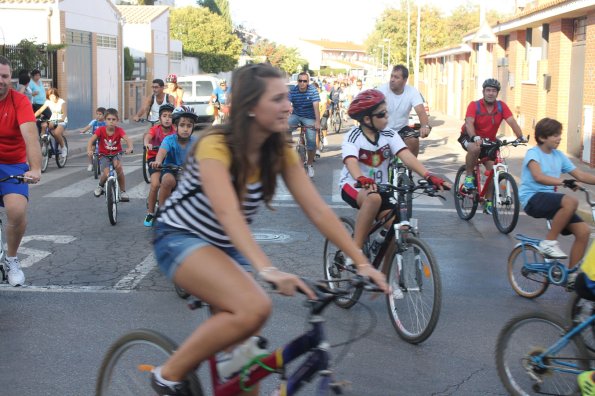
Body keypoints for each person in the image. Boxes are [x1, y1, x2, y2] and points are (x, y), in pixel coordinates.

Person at [150, 63, 388, 395]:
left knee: (248, 376)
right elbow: (227, 212)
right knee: (254, 306)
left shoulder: (278, 149)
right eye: (277, 99)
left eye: (287, 97)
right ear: (250, 107)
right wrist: (269, 269)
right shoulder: (216, 145)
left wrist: (361, 263)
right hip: (181, 238)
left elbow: (318, 210)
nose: (289, 105)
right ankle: (168, 375)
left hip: (227, 248)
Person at [340, 89, 449, 262]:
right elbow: (351, 160)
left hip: (381, 187)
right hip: (354, 186)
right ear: (367, 119)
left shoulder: (390, 134)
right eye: (382, 114)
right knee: (373, 199)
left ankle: (385, 283)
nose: (387, 118)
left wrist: (429, 176)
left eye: (386, 113)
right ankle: (355, 252)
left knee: (396, 229)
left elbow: (406, 156)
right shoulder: (354, 136)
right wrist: (361, 178)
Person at [518, 117, 595, 268]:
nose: (559, 138)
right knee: (571, 201)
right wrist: (563, 182)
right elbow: (538, 177)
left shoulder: (559, 156)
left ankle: (571, 275)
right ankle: (549, 242)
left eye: (559, 134)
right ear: (542, 137)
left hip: (551, 201)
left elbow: (581, 175)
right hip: (532, 199)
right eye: (555, 135)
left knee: (584, 231)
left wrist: (571, 181)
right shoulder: (533, 153)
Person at [0, 55, 42, 286]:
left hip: (12, 164)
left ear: (10, 78)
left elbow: (30, 136)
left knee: (16, 212)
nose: (1, 80)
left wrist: (35, 168)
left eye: (5, 76)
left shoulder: (19, 101)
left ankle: (12, 259)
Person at [458, 78, 525, 214]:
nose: (490, 93)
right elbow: (469, 122)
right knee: (475, 148)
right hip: (469, 136)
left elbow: (512, 122)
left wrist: (520, 137)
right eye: (488, 90)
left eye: (494, 91)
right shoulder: (474, 105)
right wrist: (474, 137)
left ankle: (488, 201)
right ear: (483, 91)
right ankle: (469, 176)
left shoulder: (501, 106)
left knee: (492, 171)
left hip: (489, 141)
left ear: (497, 93)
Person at [150, 106, 197, 210]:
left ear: (193, 127)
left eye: (189, 126)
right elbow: (162, 152)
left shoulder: (196, 141)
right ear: (175, 127)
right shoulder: (169, 140)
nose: (185, 129)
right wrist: (158, 161)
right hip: (171, 170)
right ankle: (162, 213)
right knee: (167, 180)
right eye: (182, 125)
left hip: (188, 172)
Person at [378, 64, 431, 158]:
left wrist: (424, 126)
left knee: (414, 140)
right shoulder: (381, 91)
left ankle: (410, 169)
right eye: (392, 76)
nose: (392, 79)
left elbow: (421, 112)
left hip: (401, 129)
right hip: (383, 129)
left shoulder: (412, 92)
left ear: (405, 80)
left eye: (396, 77)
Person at [87, 108, 134, 202]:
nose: (111, 122)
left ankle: (123, 191)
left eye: (113, 119)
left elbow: (128, 140)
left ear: (117, 121)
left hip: (116, 153)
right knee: (106, 173)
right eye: (109, 119)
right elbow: (91, 140)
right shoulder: (100, 130)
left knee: (119, 168)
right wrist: (89, 150)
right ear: (105, 120)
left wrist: (130, 148)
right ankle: (100, 186)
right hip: (103, 154)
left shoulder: (119, 130)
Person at [143, 103, 176, 227]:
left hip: (170, 159)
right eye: (165, 116)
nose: (167, 119)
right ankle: (150, 213)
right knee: (156, 184)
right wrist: (147, 143)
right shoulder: (155, 129)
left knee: (170, 183)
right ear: (160, 117)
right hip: (154, 159)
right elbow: (148, 137)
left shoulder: (175, 130)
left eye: (170, 116)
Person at [288, 71, 320, 178]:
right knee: (284, 127)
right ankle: (288, 150)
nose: (302, 83)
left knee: (311, 143)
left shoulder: (313, 91)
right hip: (296, 115)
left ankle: (310, 165)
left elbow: (316, 107)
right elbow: (287, 104)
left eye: (304, 81)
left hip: (309, 117)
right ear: (297, 81)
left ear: (308, 82)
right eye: (300, 80)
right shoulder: (293, 91)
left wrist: (317, 122)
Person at [34, 87, 68, 158]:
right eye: (50, 96)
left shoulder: (61, 102)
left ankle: (63, 147)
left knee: (56, 133)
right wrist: (32, 117)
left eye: (53, 96)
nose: (52, 98)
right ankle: (44, 145)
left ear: (56, 95)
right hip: (52, 120)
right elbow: (40, 111)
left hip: (61, 121)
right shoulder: (48, 102)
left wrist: (57, 120)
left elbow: (64, 115)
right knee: (43, 126)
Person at [80, 107, 107, 172]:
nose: (98, 116)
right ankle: (91, 163)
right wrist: (83, 131)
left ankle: (104, 162)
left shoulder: (106, 122)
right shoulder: (94, 121)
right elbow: (88, 126)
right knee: (91, 149)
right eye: (97, 114)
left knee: (105, 150)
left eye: (100, 114)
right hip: (94, 138)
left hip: (103, 139)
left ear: (104, 116)